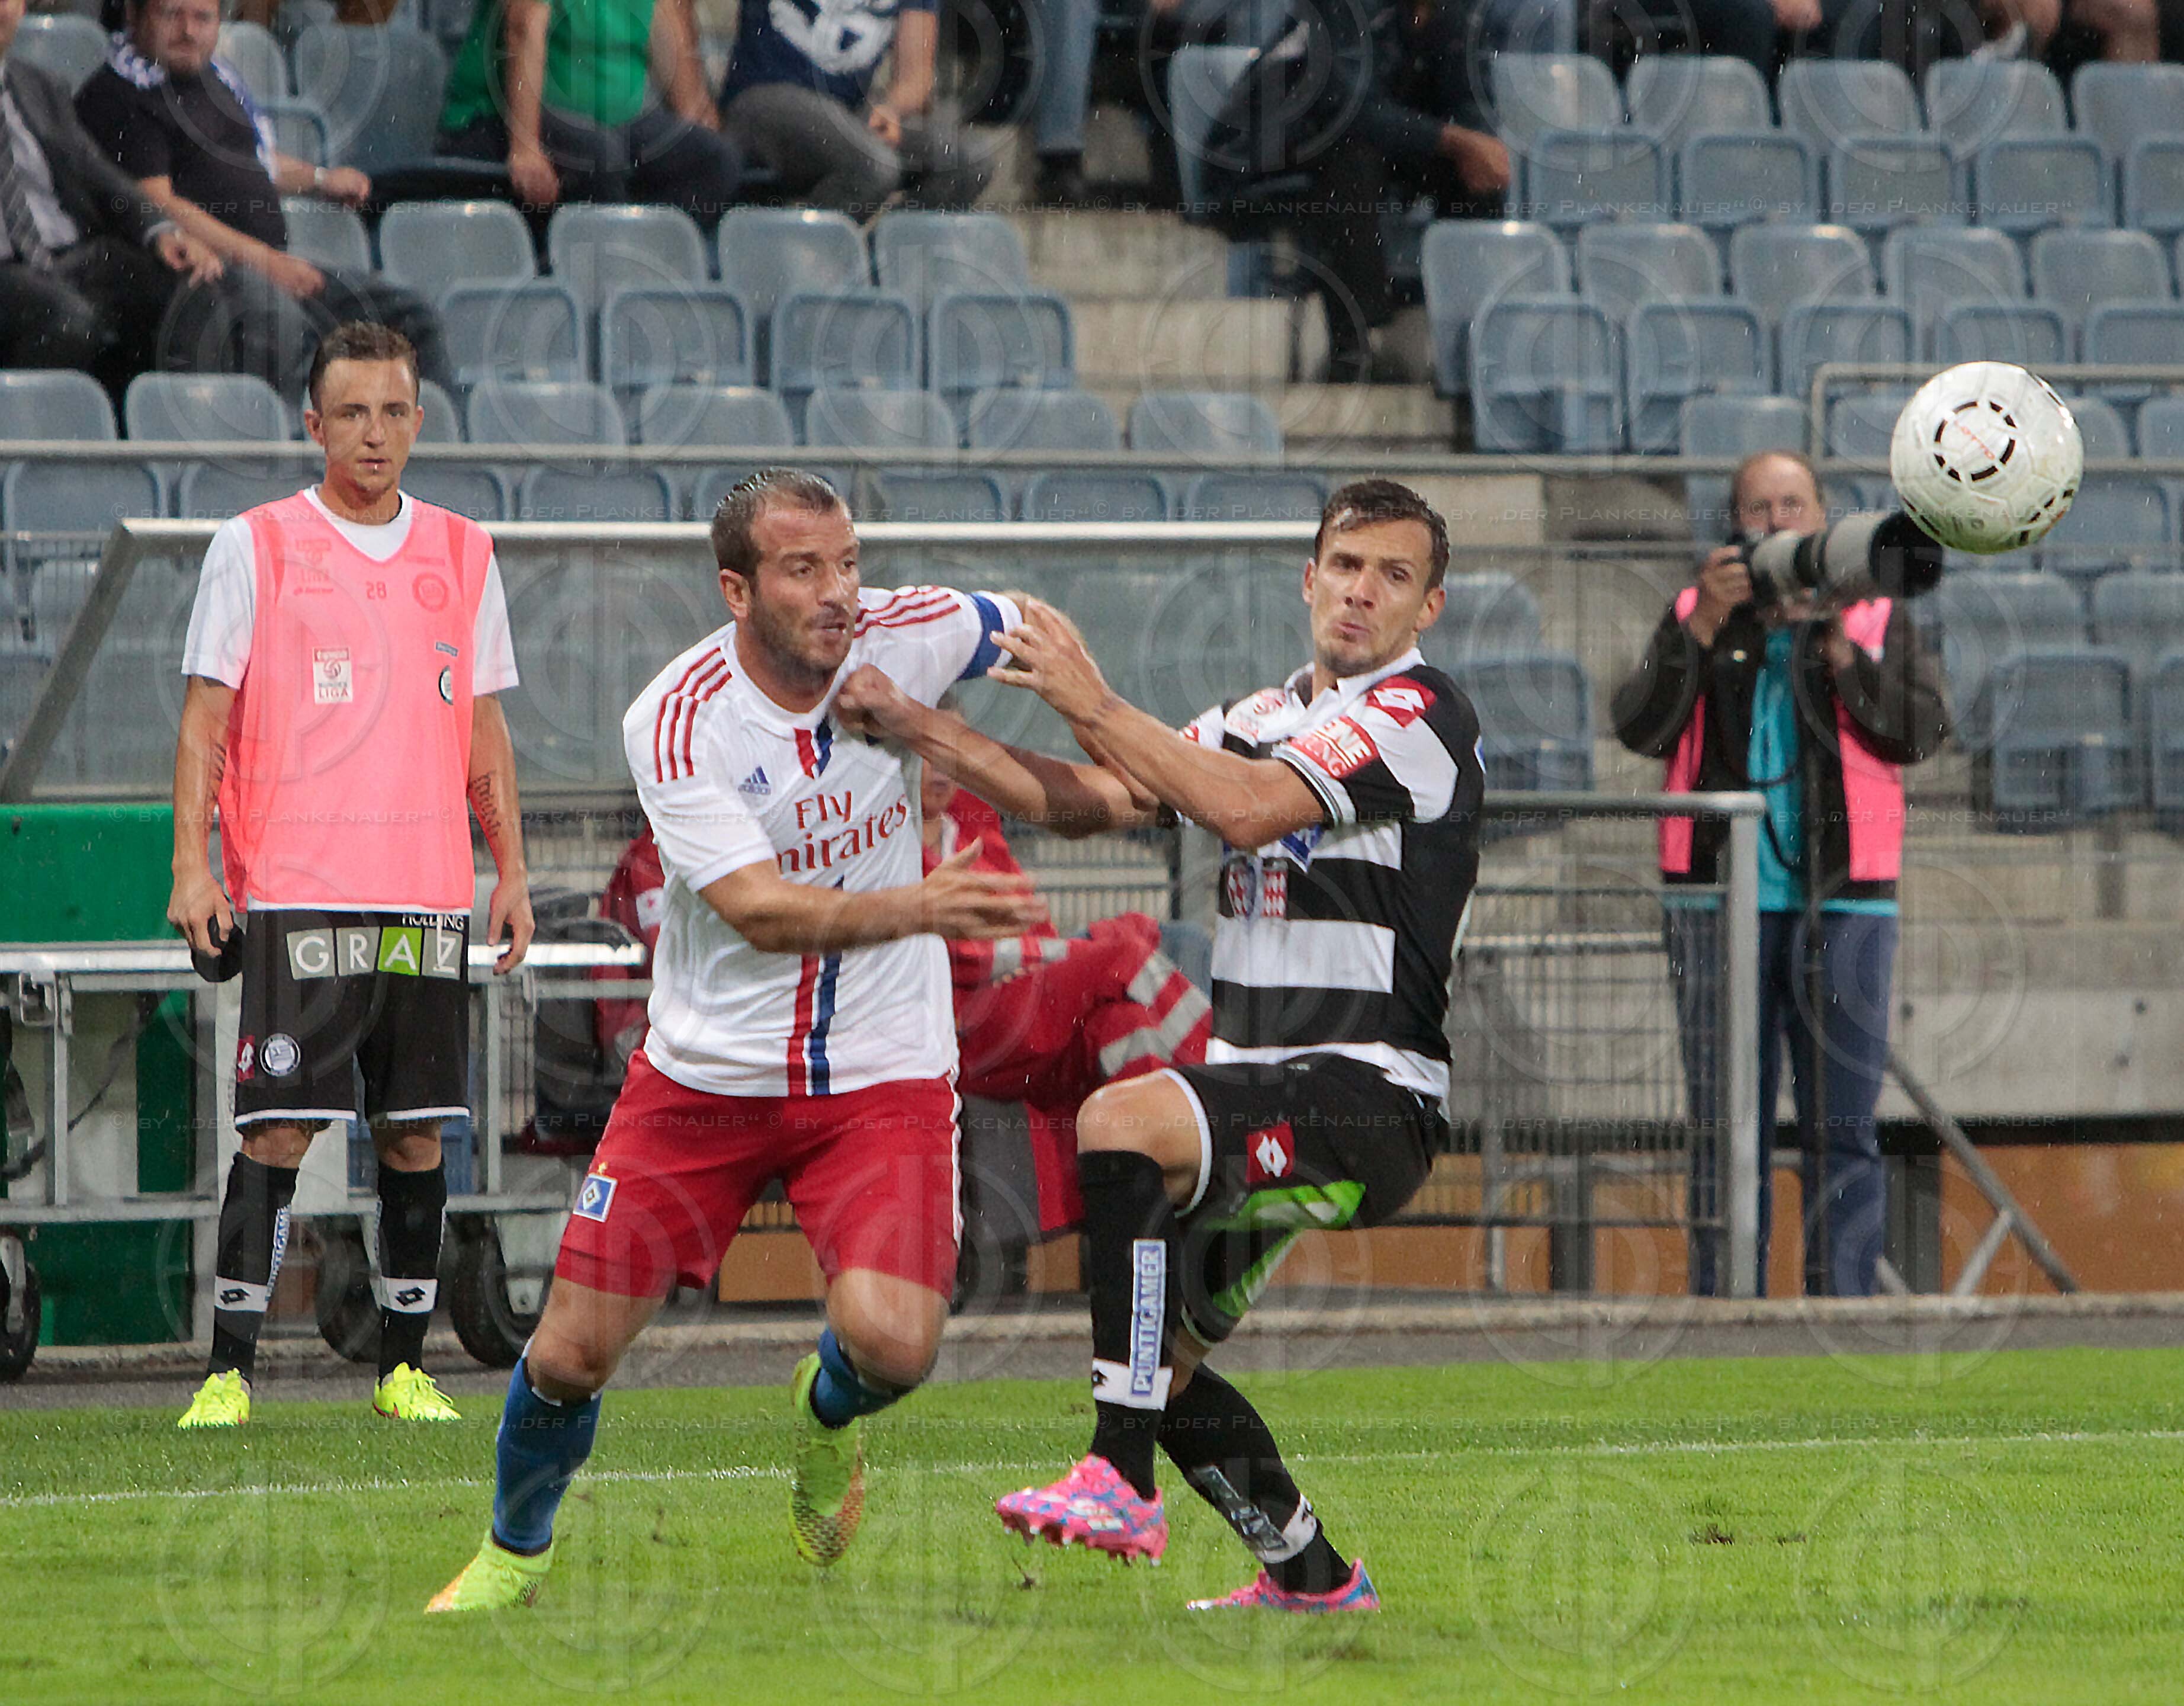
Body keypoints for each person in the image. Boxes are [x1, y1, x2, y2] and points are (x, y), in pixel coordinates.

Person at [839, 478, 1483, 1613]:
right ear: (1308, 576)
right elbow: (1095, 800)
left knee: (1118, 1122)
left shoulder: (1418, 714)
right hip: (1262, 1088)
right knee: (1164, 1366)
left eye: (1393, 576)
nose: (1361, 591)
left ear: (1427, 607)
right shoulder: (1262, 714)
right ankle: (1313, 1579)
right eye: (1345, 565)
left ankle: (1119, 1482)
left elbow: (1239, 810)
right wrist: (923, 727)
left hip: (1371, 1096)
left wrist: (1093, 697)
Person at [425, 470, 1048, 1614]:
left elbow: (1026, 626)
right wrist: (923, 906)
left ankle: (825, 1411)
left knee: (895, 1347)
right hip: (704, 1076)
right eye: (804, 570)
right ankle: (514, 1552)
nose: (838, 592)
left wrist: (1094, 712)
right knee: (567, 1355)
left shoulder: (906, 636)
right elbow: (759, 913)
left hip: (882, 1073)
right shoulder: (678, 715)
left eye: (848, 563)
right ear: (736, 589)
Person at [168, 322, 534, 1429]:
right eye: (352, 414)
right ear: (313, 424)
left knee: (416, 1132)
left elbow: (483, 730)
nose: (374, 434)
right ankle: (229, 1373)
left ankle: (403, 1372)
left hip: (426, 889)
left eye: (393, 413)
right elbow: (205, 720)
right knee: (277, 1131)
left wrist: (508, 866)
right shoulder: (256, 545)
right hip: (297, 887)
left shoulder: (465, 552)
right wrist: (193, 862)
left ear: (419, 422)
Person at [1610, 451, 1950, 1299]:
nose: (1776, 523)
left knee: (1846, 1126)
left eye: (1793, 505)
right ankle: (1727, 1305)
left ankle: (1843, 1308)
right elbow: (1641, 727)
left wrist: (1839, 651)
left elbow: (1919, 732)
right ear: (1733, 525)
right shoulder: (1700, 609)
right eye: (1759, 508)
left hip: (1847, 900)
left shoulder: (1872, 616)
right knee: (1726, 1128)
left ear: (1825, 518)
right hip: (1712, 899)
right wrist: (1702, 632)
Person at [75, 0, 455, 403]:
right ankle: (293, 454)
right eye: (172, 15)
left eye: (203, 17)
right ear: (134, 17)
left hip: (264, 265)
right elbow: (159, 204)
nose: (189, 30)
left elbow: (257, 164)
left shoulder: (217, 82)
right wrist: (267, 263)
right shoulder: (119, 94)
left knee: (410, 318)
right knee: (278, 326)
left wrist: (320, 179)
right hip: (195, 278)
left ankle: (431, 456)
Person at [1200, 0, 1509, 382]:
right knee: (1351, 155)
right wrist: (1455, 139)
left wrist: (1475, 145)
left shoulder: (1454, 19)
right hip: (1254, 160)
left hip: (1356, 153)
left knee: (1475, 171)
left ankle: (1471, 342)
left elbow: (1471, 109)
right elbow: (1350, 111)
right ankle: (1357, 345)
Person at [0, 0, 220, 398]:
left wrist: (162, 231)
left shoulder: (40, 85)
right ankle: (42, 448)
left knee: (194, 291)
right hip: (7, 269)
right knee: (68, 318)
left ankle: (161, 438)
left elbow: (99, 173)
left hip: (71, 256)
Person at [439, 0, 743, 225]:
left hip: (612, 123)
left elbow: (668, 24)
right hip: (500, 118)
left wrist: (695, 122)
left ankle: (647, 268)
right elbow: (524, 25)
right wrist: (526, 148)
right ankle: (589, 279)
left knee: (713, 159)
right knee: (598, 156)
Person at [714, 0, 942, 217]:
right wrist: (692, 99)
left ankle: (882, 249)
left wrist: (890, 108)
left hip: (847, 113)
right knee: (874, 166)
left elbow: (917, 77)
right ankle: (800, 252)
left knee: (964, 160)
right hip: (762, 99)